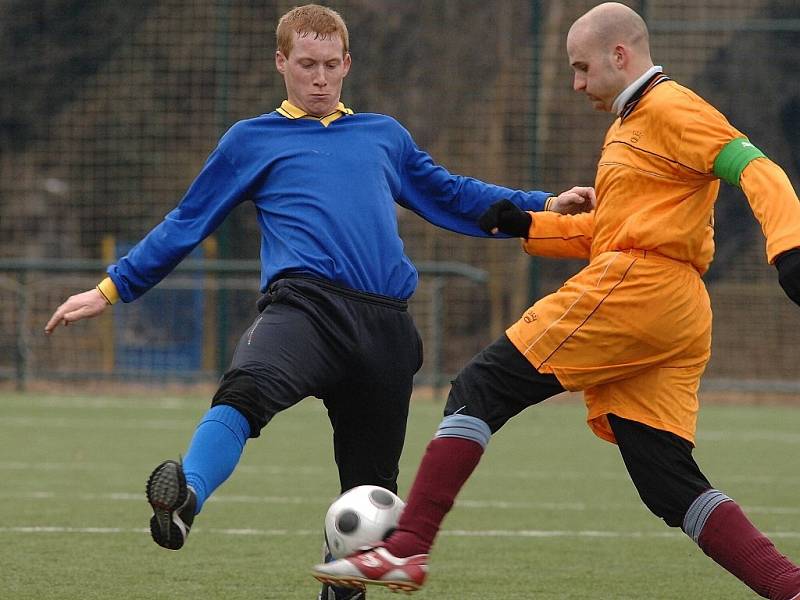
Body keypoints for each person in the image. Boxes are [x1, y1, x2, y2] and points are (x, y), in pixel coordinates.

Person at [43, 4, 593, 600]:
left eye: (331, 65)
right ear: (281, 63)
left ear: (348, 64)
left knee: (369, 492)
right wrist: (111, 288)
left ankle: (342, 587)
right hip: (303, 310)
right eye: (307, 64)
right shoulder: (251, 140)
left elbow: (454, 194)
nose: (320, 78)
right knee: (244, 389)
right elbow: (188, 221)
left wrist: (542, 204)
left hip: (385, 327)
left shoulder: (384, 135)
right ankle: (188, 496)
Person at [312, 3, 800, 598]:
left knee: (480, 387)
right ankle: (788, 585)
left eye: (582, 68)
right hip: (673, 306)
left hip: (639, 290)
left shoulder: (672, 107)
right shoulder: (630, 124)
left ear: (620, 56)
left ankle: (408, 549)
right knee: (667, 481)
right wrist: (528, 224)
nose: (576, 84)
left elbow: (758, 168)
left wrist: (788, 247)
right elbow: (614, 232)